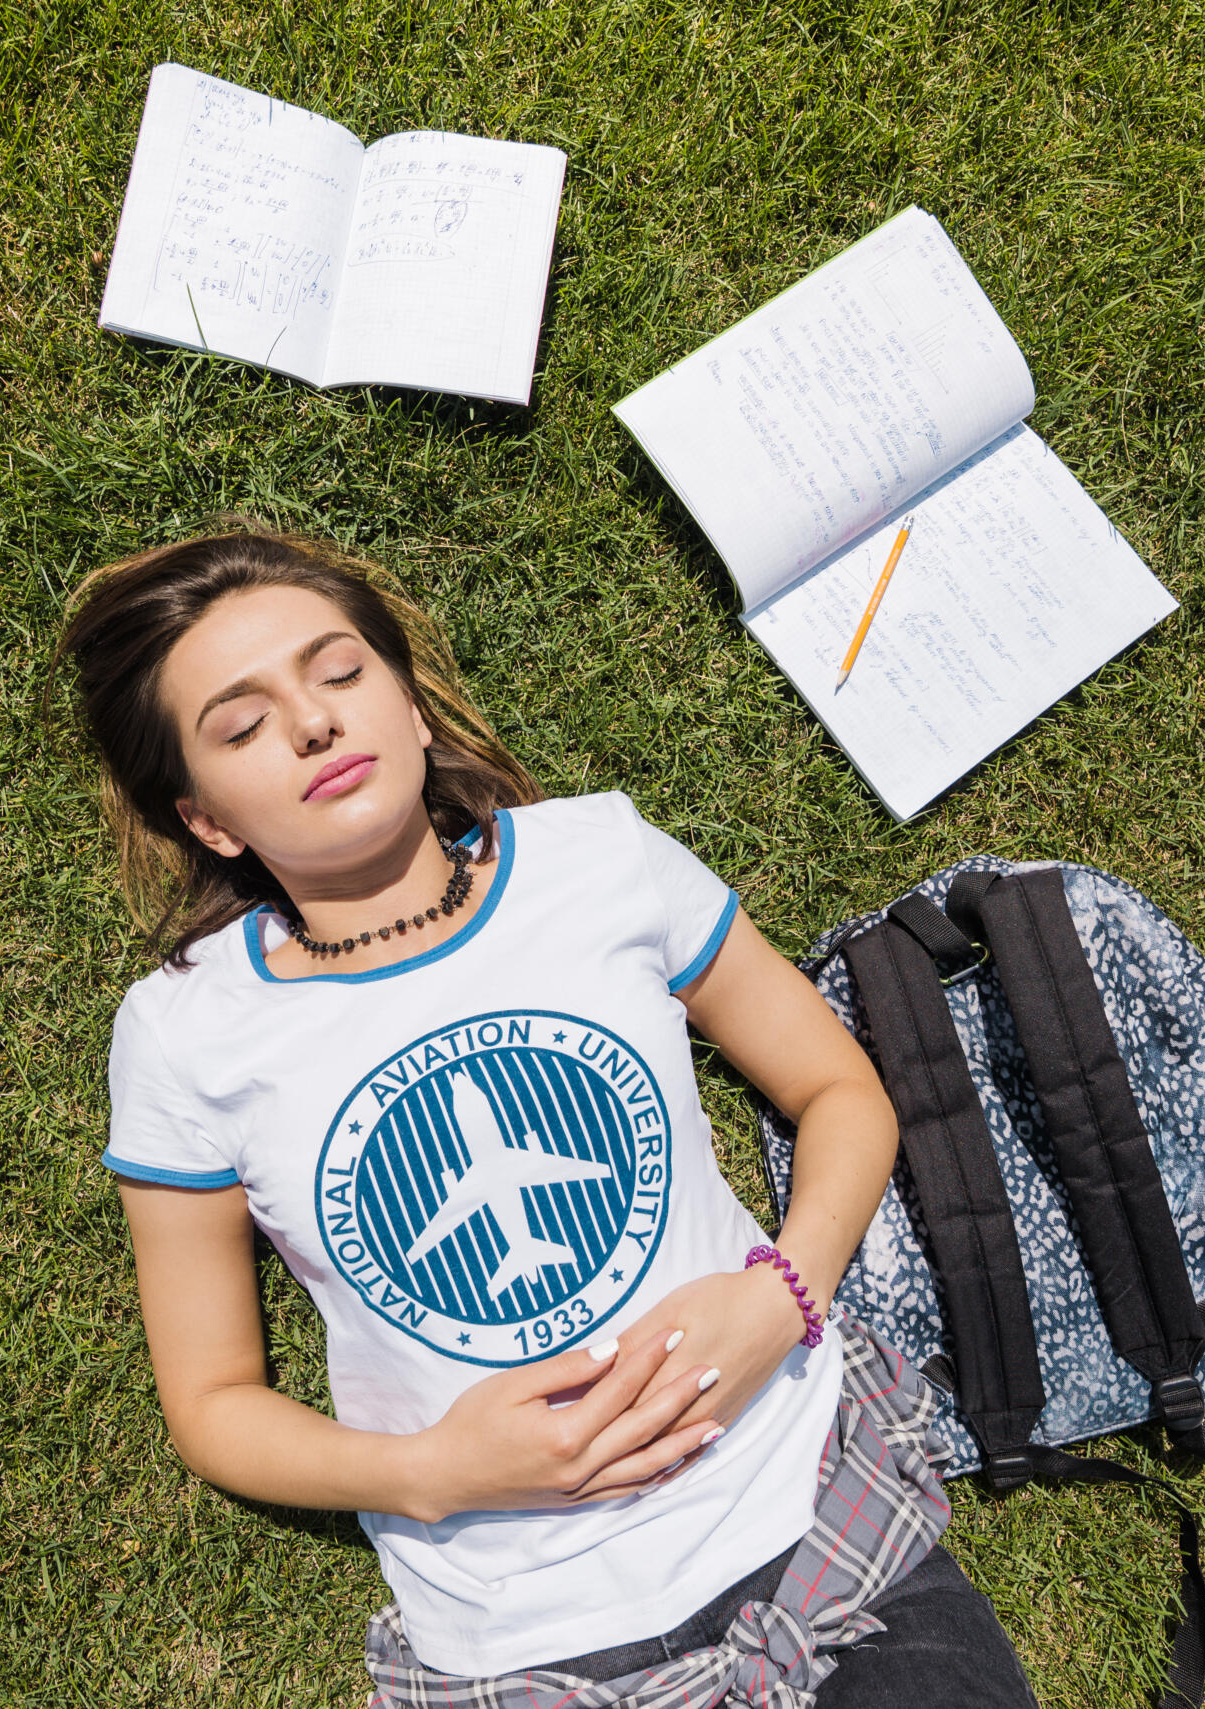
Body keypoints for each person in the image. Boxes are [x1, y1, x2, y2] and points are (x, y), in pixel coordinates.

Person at [62, 527, 1038, 1706]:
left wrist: (783, 1294)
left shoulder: (597, 859)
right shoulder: (184, 1032)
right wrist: (432, 1470)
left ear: (410, 708)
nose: (312, 721)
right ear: (209, 820)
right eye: (242, 725)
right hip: (528, 1642)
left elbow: (838, 1090)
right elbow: (212, 1402)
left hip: (814, 1513)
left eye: (339, 671)